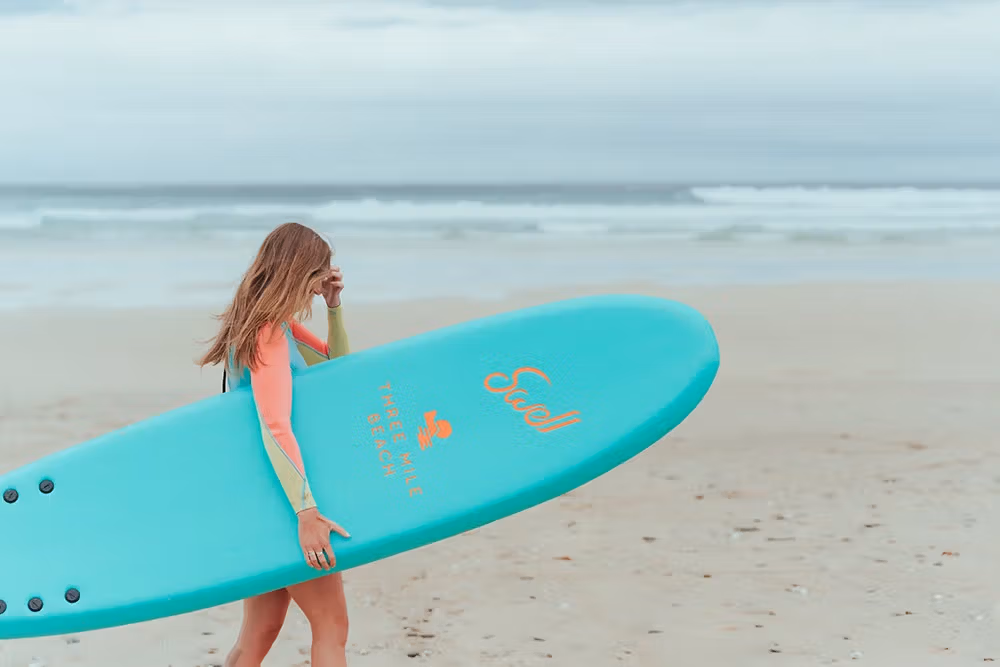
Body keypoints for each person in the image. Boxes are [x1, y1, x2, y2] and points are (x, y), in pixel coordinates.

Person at [199, 222, 352, 667]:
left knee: (258, 636)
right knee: (331, 629)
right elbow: (275, 425)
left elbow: (340, 371)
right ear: (298, 273)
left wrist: (334, 307)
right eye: (317, 277)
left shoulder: (266, 324)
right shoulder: (268, 333)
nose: (318, 287)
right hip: (286, 506)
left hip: (258, 501)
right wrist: (306, 514)